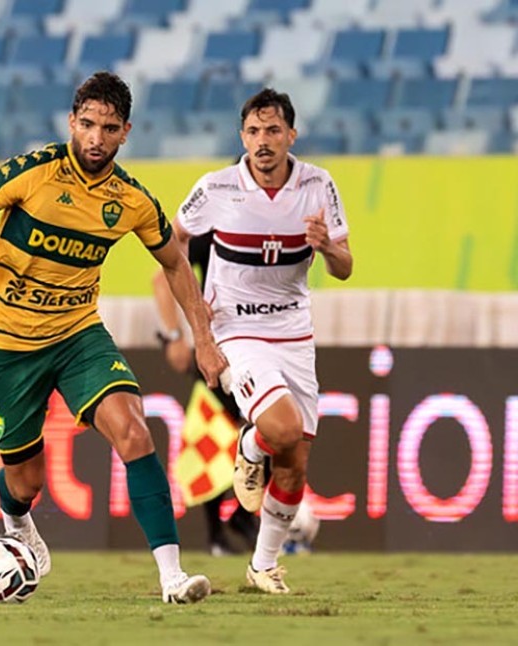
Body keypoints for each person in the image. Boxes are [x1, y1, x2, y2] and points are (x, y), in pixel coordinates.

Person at [0, 71, 229, 604]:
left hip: (76, 335)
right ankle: (14, 519)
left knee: (135, 433)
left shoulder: (132, 199)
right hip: (7, 342)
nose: (95, 137)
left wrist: (201, 337)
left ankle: (172, 578)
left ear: (125, 132)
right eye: (87, 124)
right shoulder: (34, 172)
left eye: (108, 128)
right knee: (25, 483)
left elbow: (177, 265)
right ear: (71, 122)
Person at [174, 88, 353, 594]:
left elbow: (344, 266)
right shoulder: (216, 188)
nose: (263, 141)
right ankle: (252, 443)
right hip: (236, 329)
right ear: (242, 138)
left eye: (273, 130)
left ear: (291, 135)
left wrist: (325, 248)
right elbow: (172, 243)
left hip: (294, 332)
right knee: (282, 427)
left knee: (295, 464)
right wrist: (196, 326)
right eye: (253, 131)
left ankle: (262, 566)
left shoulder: (319, 185)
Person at [150, 234, 259, 558]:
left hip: (260, 347)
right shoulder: (210, 233)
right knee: (219, 433)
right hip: (220, 350)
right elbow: (162, 278)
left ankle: (237, 519)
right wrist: (174, 336)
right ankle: (224, 529)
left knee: (259, 429)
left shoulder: (267, 228)